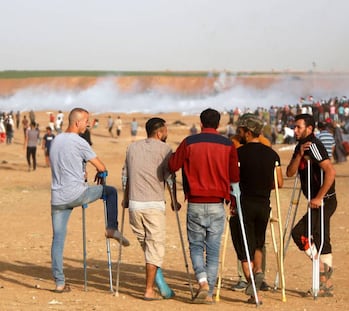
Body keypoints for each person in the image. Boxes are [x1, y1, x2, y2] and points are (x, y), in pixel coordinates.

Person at [49, 107, 129, 293]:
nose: (88, 124)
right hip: (77, 194)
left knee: (58, 239)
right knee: (109, 192)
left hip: (57, 198)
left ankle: (59, 282)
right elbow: (101, 166)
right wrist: (101, 173)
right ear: (77, 122)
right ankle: (111, 228)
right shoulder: (79, 142)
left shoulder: (56, 140)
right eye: (86, 121)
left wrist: (81, 171)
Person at [168, 108, 240, 304]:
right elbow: (234, 178)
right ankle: (208, 294)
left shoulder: (189, 142)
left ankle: (202, 281)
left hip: (196, 203)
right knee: (213, 250)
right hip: (217, 203)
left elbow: (173, 165)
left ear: (201, 123)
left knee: (197, 246)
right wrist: (233, 202)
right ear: (218, 124)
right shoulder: (228, 144)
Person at [229, 114, 283, 304]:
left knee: (244, 248)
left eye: (240, 131)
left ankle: (254, 293)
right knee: (259, 243)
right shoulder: (272, 154)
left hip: (244, 206)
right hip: (264, 205)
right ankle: (258, 270)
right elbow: (279, 182)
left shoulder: (238, 153)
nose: (239, 134)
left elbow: (232, 179)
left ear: (248, 132)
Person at [123, 117, 178, 300]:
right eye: (166, 130)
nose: (167, 133)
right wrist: (174, 200)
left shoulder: (132, 147)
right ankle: (149, 289)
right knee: (154, 247)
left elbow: (126, 176)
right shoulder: (165, 150)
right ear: (159, 132)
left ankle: (162, 285)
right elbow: (169, 177)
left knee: (148, 246)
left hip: (135, 204)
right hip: (154, 204)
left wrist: (125, 199)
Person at [286, 113, 337, 297]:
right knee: (320, 235)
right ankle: (325, 282)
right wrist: (299, 155)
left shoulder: (314, 146)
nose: (295, 130)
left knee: (300, 233)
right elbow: (290, 172)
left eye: (299, 127)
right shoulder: (301, 147)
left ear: (309, 129)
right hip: (317, 201)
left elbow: (331, 172)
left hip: (325, 200)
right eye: (295, 127)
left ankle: (322, 271)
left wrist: (319, 197)